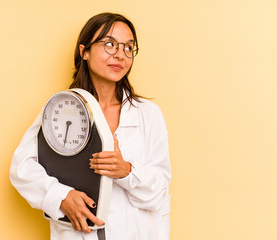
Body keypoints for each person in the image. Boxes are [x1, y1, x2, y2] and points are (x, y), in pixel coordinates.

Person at [10, 12, 171, 240]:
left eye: (128, 47)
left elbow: (159, 191)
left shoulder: (148, 114)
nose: (120, 55)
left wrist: (126, 171)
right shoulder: (61, 110)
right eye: (109, 44)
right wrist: (61, 197)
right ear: (84, 51)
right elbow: (22, 168)